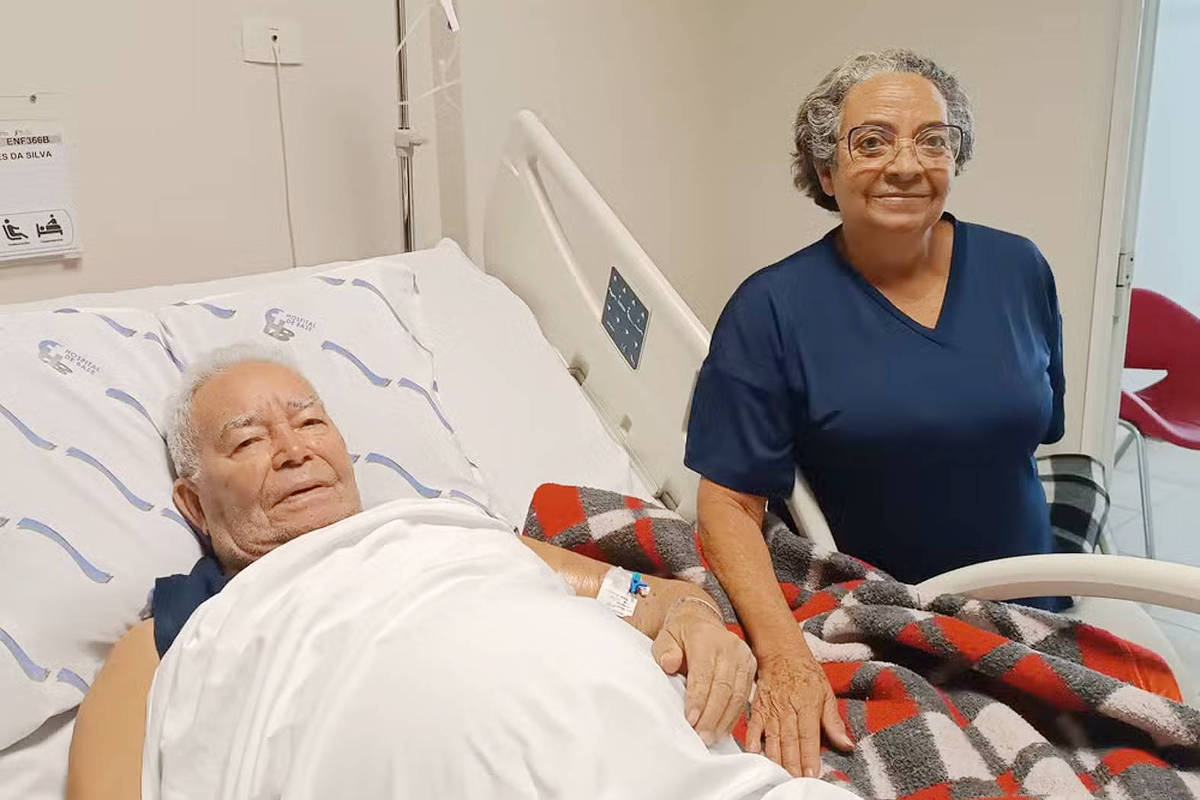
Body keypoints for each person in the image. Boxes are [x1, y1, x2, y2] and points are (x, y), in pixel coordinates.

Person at [67, 346, 791, 800]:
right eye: (249, 440)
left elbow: (640, 597)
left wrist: (695, 617)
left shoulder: (442, 529)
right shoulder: (167, 639)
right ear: (194, 503)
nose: (294, 450)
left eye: (311, 423)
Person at [685, 49, 1065, 779]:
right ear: (826, 171)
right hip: (887, 625)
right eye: (872, 141)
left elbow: (1040, 425)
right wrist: (786, 657)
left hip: (1031, 607)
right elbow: (728, 502)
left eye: (933, 140)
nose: (906, 165)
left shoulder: (1020, 268)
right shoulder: (771, 310)